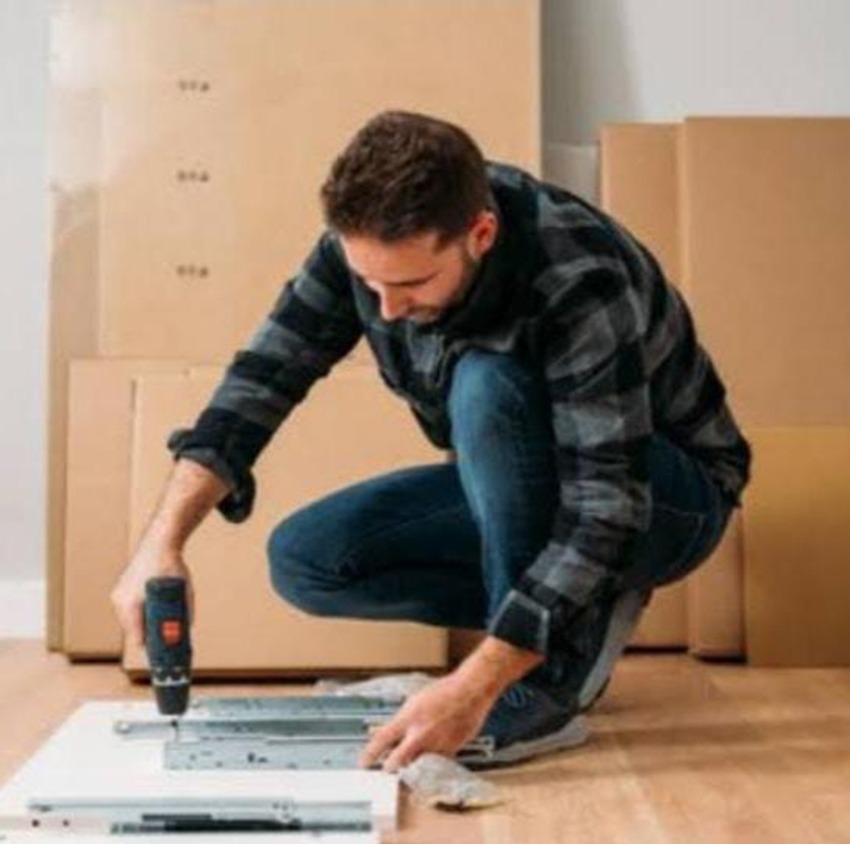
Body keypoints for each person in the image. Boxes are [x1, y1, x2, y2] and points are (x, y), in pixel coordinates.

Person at [112, 110, 751, 772]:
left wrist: (478, 682)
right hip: (556, 489)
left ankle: (544, 678)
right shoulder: (363, 251)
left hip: (668, 494)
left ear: (480, 234)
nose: (386, 310)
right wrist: (162, 545)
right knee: (309, 560)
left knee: (488, 384)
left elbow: (610, 506)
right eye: (370, 285)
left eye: (411, 285)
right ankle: (572, 608)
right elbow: (259, 383)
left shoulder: (575, 274)